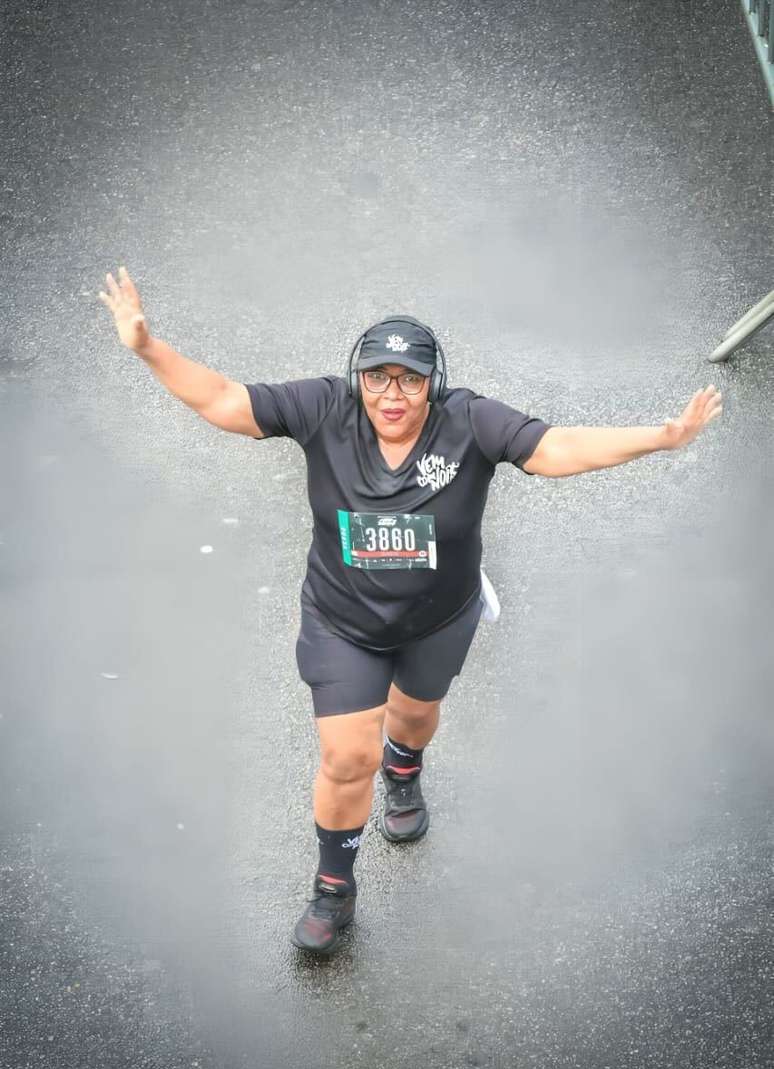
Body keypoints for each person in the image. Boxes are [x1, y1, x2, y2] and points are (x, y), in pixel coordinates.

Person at [99, 266, 723, 955]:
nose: (391, 395)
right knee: (344, 757)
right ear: (356, 376)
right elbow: (223, 398)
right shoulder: (322, 409)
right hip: (343, 622)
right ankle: (334, 888)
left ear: (435, 380)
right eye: (377, 377)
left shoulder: (471, 422)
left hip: (438, 615)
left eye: (410, 378)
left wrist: (659, 438)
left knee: (415, 717)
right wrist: (147, 346)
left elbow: (556, 449)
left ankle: (405, 767)